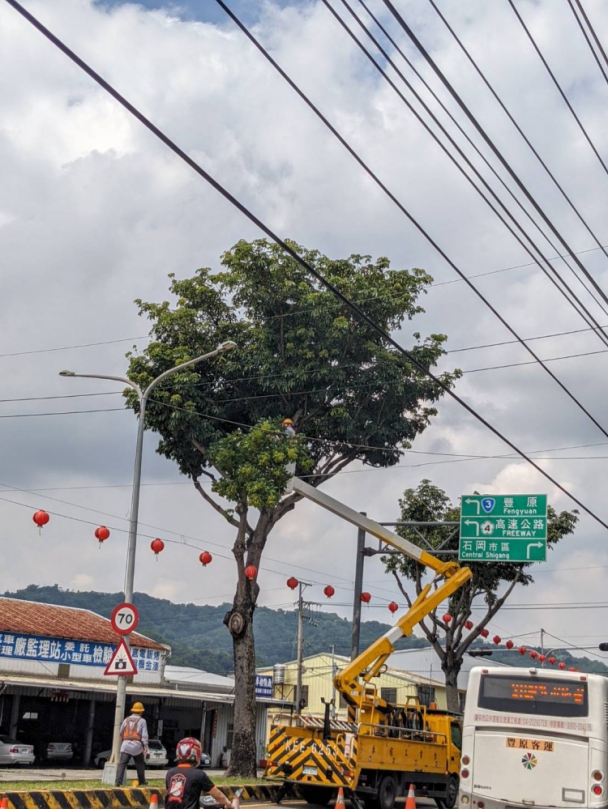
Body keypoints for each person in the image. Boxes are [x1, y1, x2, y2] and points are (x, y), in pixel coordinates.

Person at [166, 737, 234, 809]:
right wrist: (229, 805)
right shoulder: (198, 774)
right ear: (196, 753)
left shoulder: (170, 773)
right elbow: (218, 795)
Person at [115, 702, 149, 787]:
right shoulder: (142, 721)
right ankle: (142, 781)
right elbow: (144, 735)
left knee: (122, 764)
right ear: (141, 712)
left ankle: (118, 782)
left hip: (125, 745)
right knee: (140, 764)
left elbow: (121, 732)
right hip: (137, 745)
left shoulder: (126, 719)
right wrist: (145, 746)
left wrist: (125, 739)